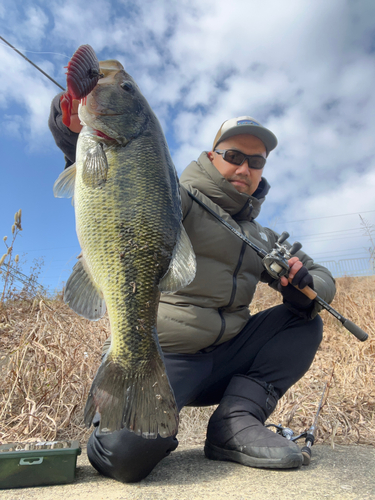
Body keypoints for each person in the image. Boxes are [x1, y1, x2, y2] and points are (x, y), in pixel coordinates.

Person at [49, 94, 336, 483]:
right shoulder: (175, 196)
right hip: (163, 354)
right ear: (211, 156)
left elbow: (321, 277)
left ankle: (235, 423)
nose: (244, 168)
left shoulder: (262, 236)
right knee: (126, 457)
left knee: (303, 322)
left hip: (228, 356)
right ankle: (126, 431)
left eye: (256, 162)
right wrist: (74, 141)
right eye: (234, 155)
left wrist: (303, 286)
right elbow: (123, 193)